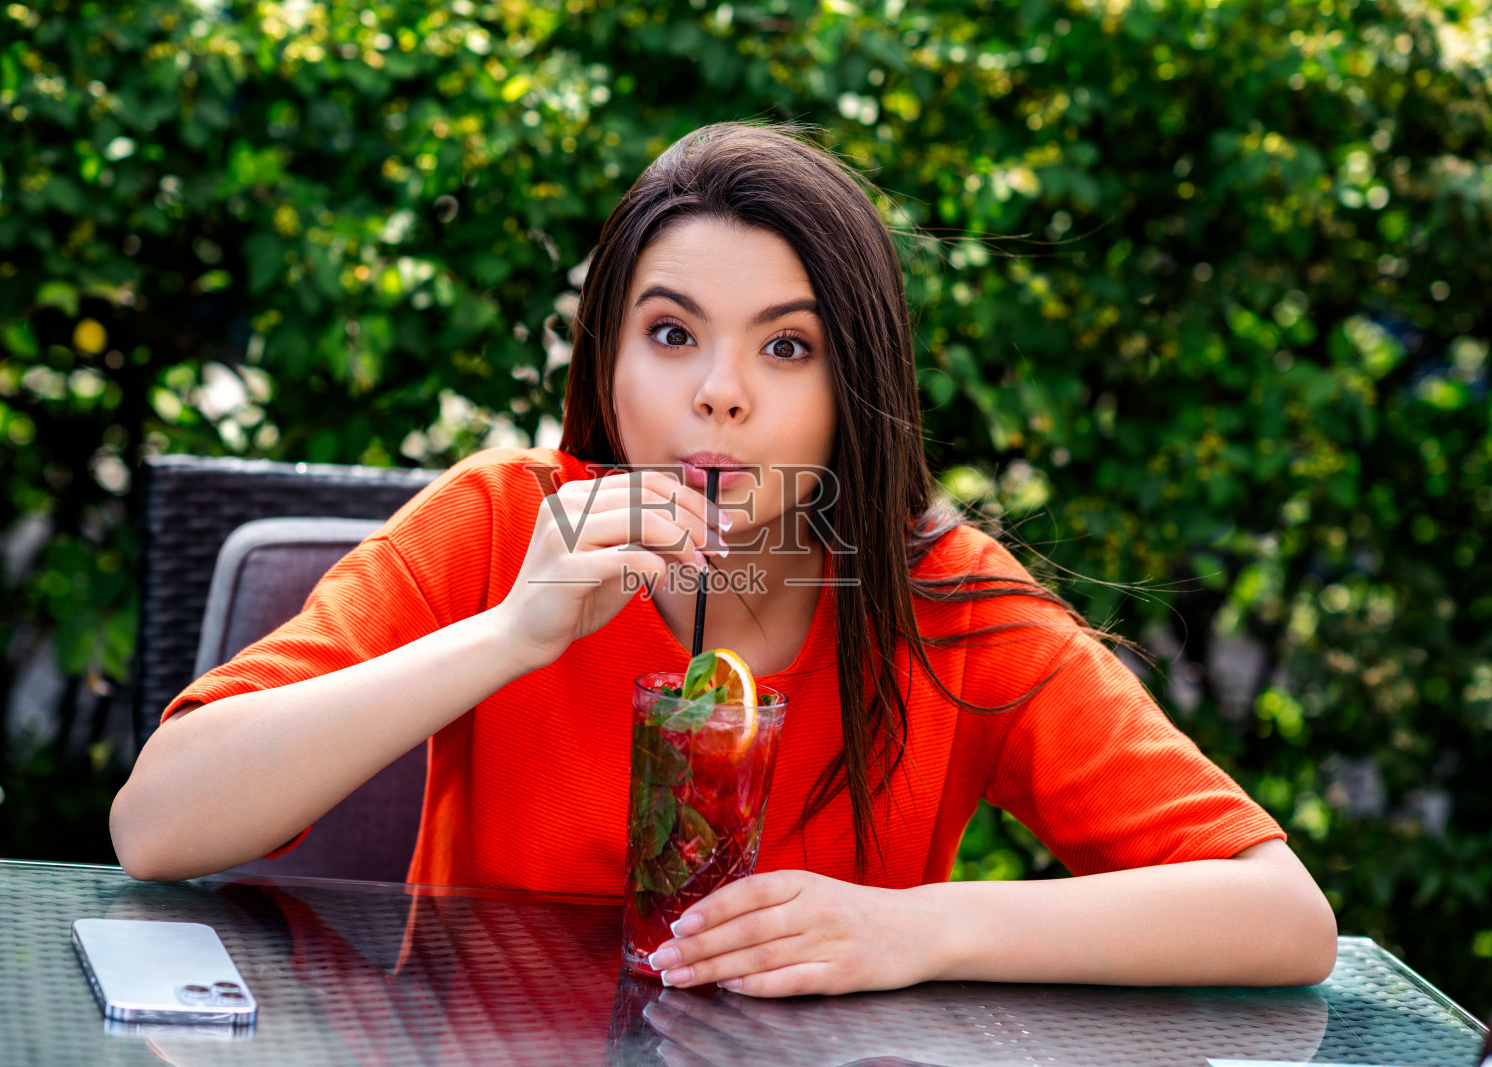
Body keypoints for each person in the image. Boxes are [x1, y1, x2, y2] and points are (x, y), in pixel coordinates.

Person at [111, 122, 1337, 997]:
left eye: (786, 347)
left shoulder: (946, 600)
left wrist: (915, 929)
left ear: (857, 386)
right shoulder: (501, 523)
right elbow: (159, 822)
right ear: (608, 361)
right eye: (670, 332)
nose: (719, 393)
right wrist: (511, 634)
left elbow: (1281, 916)